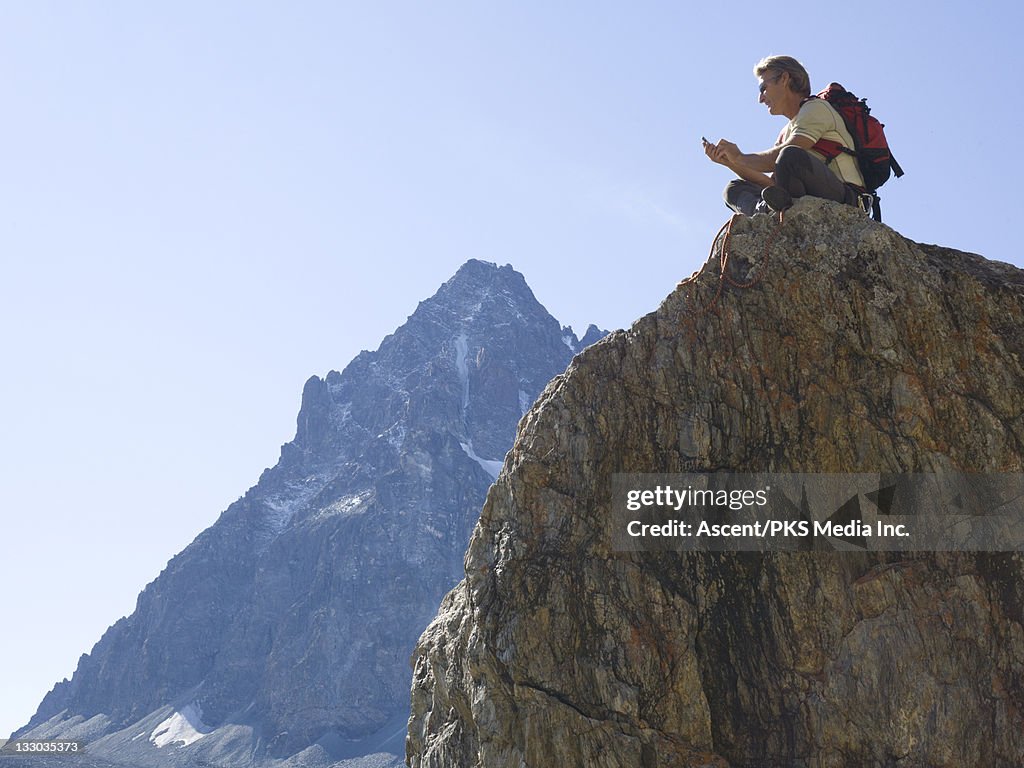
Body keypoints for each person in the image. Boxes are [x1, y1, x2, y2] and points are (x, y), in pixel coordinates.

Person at [705, 55, 866, 215]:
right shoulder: (785, 133)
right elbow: (773, 183)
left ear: (784, 78)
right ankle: (766, 210)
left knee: (790, 155)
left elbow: (786, 156)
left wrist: (739, 157)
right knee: (733, 188)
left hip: (845, 198)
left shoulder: (816, 108)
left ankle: (772, 211)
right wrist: (731, 163)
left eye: (763, 88)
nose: (761, 98)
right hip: (806, 192)